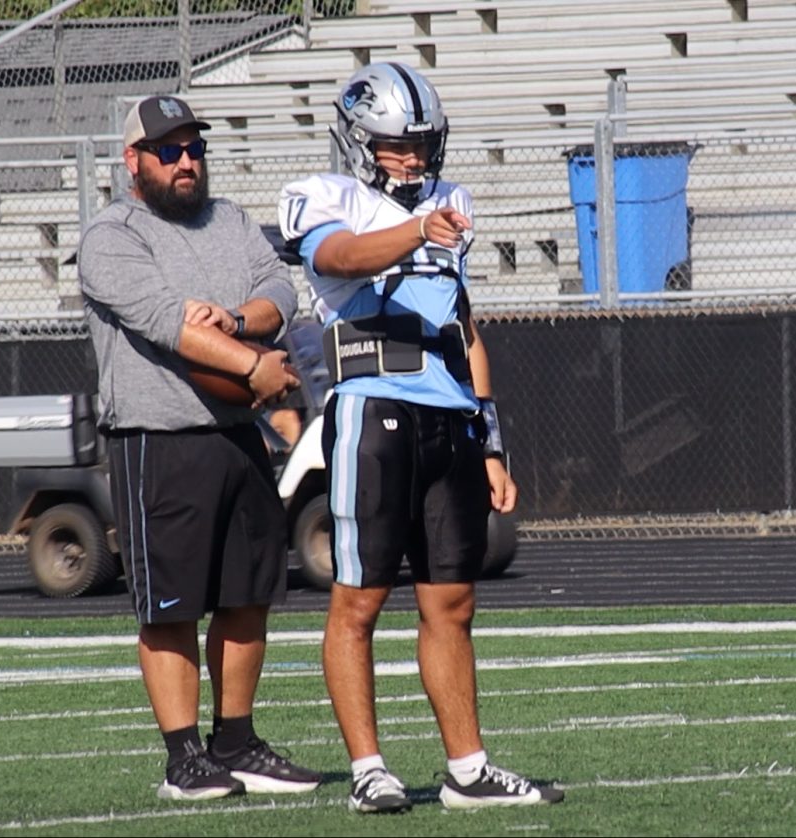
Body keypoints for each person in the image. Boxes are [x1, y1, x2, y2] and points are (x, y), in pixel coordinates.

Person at [278, 62, 565, 813]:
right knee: (359, 601)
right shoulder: (325, 196)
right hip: (373, 407)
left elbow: (464, 325)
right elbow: (338, 258)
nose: (411, 158)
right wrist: (413, 230)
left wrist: (492, 436)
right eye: (395, 145)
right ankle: (370, 769)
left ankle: (466, 768)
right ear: (357, 140)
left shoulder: (449, 201)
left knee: (453, 602)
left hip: (449, 418)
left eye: (421, 144)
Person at [78, 94, 321, 802]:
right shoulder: (111, 236)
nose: (187, 161)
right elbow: (163, 322)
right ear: (134, 161)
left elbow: (282, 289)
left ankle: (237, 742)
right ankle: (183, 759)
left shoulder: (232, 220)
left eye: (194, 148)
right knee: (172, 609)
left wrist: (239, 317)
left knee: (248, 597)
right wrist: (254, 366)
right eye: (169, 150)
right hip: (158, 437)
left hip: (236, 435)